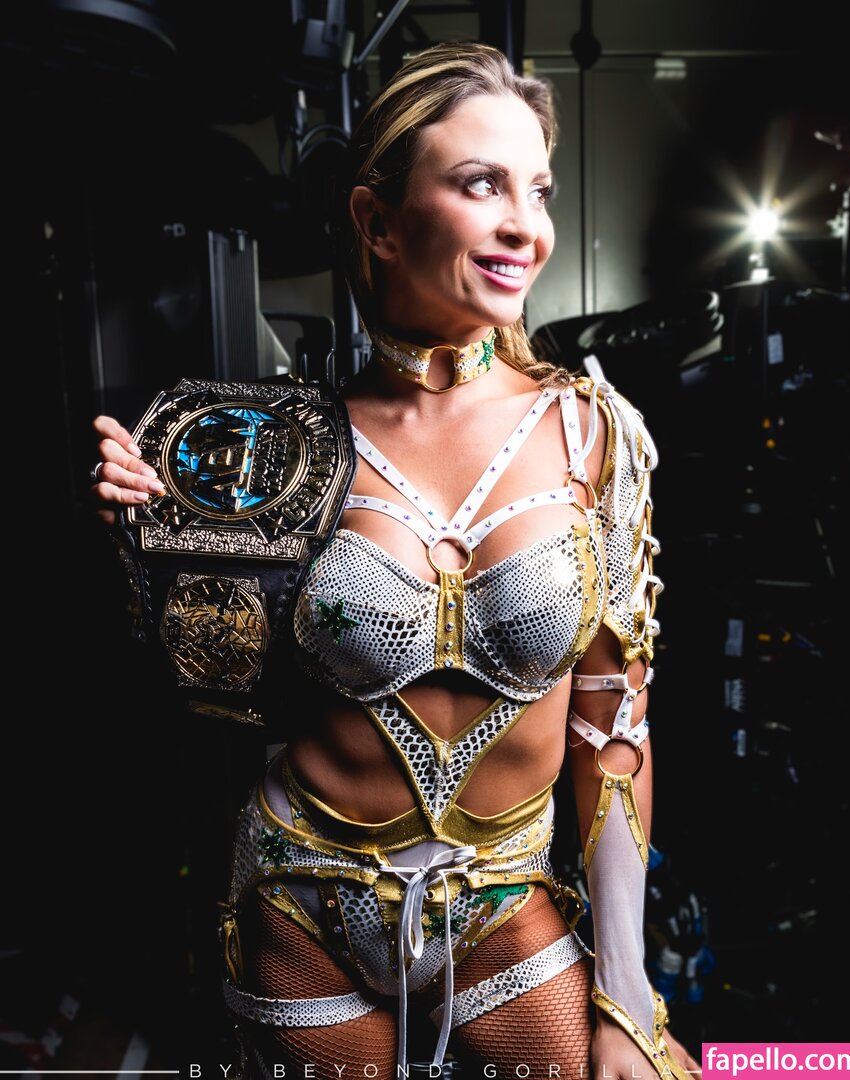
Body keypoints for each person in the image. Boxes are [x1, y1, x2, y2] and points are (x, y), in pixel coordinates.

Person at [90, 40, 701, 1080]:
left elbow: (614, 729)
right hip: (299, 902)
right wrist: (148, 530)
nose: (527, 226)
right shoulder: (283, 445)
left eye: (539, 190)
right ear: (377, 221)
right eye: (482, 183)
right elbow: (204, 684)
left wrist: (627, 997)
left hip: (502, 906)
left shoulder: (593, 437)